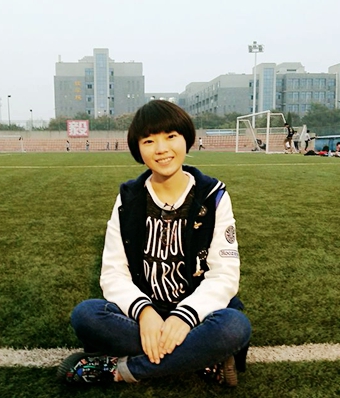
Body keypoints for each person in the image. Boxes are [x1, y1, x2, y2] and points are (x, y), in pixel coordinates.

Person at [58, 100, 251, 387]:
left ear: (187, 139)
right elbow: (113, 272)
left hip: (196, 312)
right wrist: (145, 312)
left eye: (171, 136)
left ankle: (119, 370)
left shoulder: (212, 195)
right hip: (143, 314)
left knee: (233, 326)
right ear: (138, 149)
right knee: (86, 315)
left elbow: (224, 274)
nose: (161, 149)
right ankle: (200, 357)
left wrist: (184, 317)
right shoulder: (129, 198)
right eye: (149, 141)